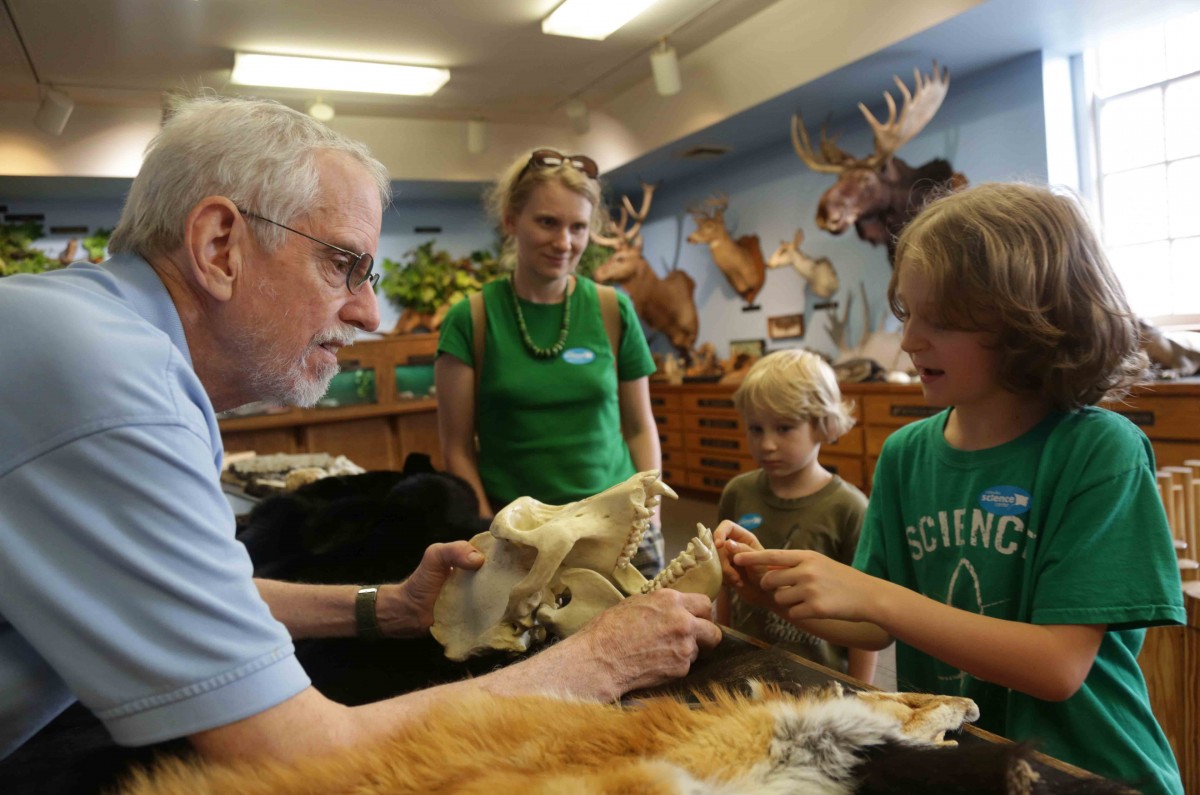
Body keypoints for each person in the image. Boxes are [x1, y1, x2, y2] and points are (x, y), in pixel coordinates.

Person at [0, 96, 721, 773]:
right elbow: (297, 751)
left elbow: (196, 590)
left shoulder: (105, 345)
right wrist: (599, 663)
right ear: (220, 246)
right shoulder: (118, 388)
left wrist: (386, 607)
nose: (371, 313)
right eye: (342, 264)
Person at [717, 182, 1185, 795]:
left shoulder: (1100, 452)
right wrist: (782, 591)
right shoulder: (907, 455)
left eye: (942, 320)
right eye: (909, 313)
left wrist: (874, 596)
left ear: (1030, 320)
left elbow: (1058, 666)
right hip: (967, 763)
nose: (910, 341)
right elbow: (874, 627)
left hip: (1089, 772)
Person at [435, 148, 665, 575]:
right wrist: (485, 529)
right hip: (522, 538)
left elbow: (639, 427)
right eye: (547, 222)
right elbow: (456, 448)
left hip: (620, 528)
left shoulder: (614, 310)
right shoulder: (471, 320)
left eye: (578, 227)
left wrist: (650, 512)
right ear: (510, 220)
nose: (565, 242)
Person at [716, 350, 875, 683]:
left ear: (822, 424)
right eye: (756, 429)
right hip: (744, 667)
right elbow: (726, 583)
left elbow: (867, 615)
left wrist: (863, 691)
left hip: (817, 677)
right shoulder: (737, 492)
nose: (767, 444)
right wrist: (722, 644)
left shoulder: (849, 508)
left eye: (784, 428)